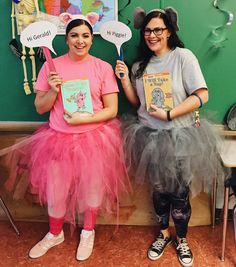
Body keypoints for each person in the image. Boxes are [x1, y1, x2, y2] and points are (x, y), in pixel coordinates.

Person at [1, 12, 130, 261]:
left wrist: (84, 119)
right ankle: (54, 233)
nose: (80, 40)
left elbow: (111, 109)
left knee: (92, 190)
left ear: (92, 39)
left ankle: (88, 232)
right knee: (56, 190)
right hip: (57, 140)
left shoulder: (102, 68)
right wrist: (52, 89)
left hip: (94, 139)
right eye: (74, 35)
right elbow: (41, 107)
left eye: (85, 36)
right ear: (66, 39)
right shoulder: (52, 67)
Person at [115, 7, 225, 267]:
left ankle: (182, 238)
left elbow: (202, 95)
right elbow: (136, 104)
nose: (152, 35)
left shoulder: (183, 57)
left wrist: (170, 113)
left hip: (180, 136)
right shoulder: (139, 66)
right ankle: (164, 234)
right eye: (147, 31)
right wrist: (124, 80)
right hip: (149, 137)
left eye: (158, 30)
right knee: (159, 190)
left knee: (179, 192)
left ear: (169, 31)